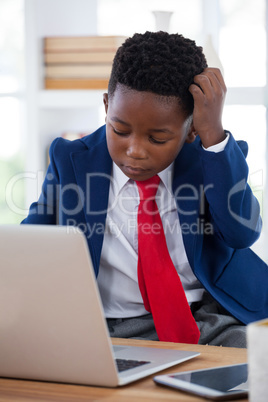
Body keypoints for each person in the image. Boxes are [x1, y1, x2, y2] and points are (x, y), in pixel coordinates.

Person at [22, 31, 268, 348]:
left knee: (251, 365)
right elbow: (30, 245)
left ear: (191, 128)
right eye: (120, 130)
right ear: (107, 105)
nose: (135, 150)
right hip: (106, 327)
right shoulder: (70, 160)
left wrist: (214, 136)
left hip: (206, 320)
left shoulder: (208, 159)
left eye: (157, 138)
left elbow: (241, 233)